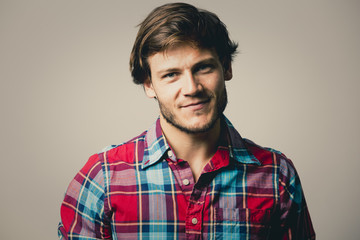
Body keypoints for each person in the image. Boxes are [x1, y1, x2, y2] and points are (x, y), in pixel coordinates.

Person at [58, 2, 315, 239]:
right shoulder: (103, 177)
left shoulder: (276, 175)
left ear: (226, 67)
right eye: (171, 74)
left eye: (203, 67)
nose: (191, 88)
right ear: (149, 85)